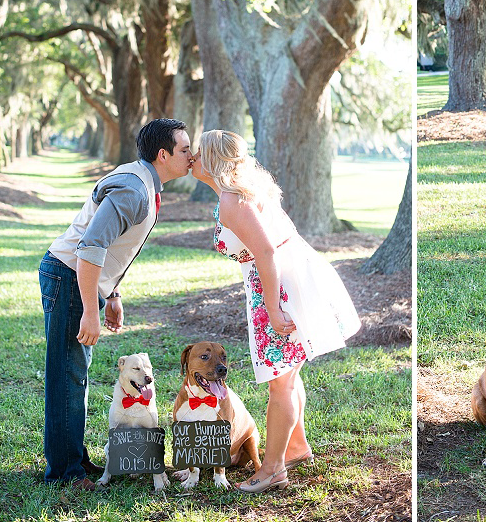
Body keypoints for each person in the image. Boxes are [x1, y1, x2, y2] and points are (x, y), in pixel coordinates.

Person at [191, 130, 360, 493]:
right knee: (289, 376)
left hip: (278, 287)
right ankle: (296, 448)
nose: (191, 155)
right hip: (289, 279)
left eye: (197, 151)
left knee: (279, 383)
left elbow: (266, 252)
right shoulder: (239, 192)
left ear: (213, 160)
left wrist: (271, 305)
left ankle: (272, 469)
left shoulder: (233, 201)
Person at [40, 118, 193, 490]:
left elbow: (113, 244)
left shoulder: (145, 182)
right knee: (67, 374)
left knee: (75, 373)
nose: (192, 155)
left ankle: (72, 461)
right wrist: (90, 310)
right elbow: (90, 247)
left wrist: (112, 294)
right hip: (69, 277)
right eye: (186, 150)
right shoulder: (134, 190)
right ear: (163, 154)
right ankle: (65, 472)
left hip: (84, 282)